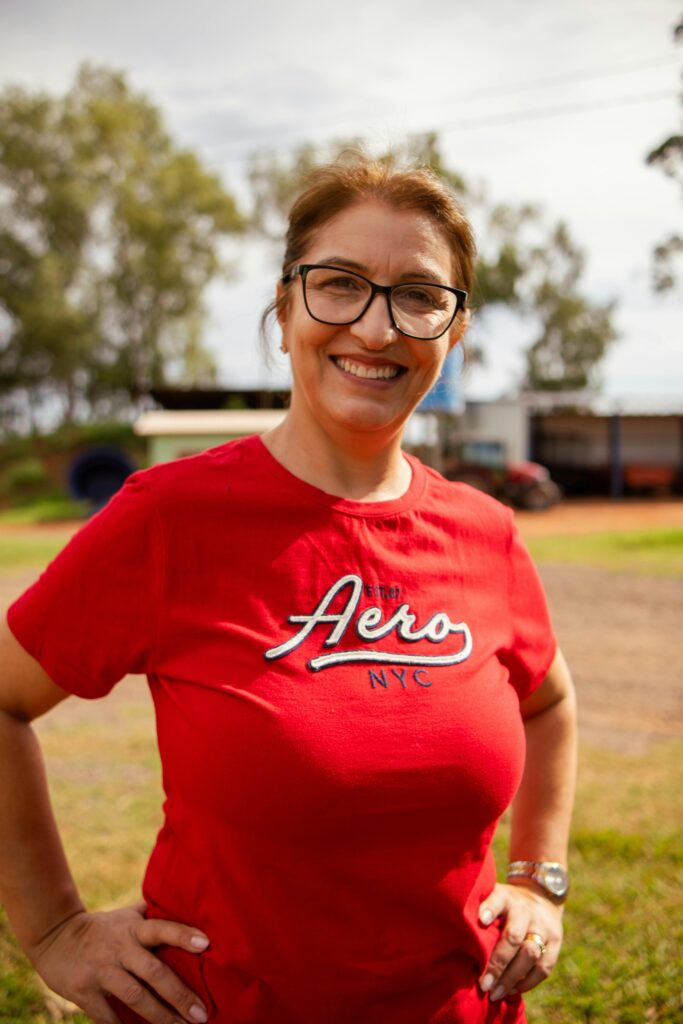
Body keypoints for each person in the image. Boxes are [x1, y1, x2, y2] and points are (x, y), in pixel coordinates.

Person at [0, 155, 577, 1024]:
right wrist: (53, 932)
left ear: (451, 334)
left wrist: (540, 879)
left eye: (419, 295)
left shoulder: (484, 532)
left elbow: (549, 702)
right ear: (284, 312)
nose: (377, 330)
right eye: (339, 283)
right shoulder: (171, 517)